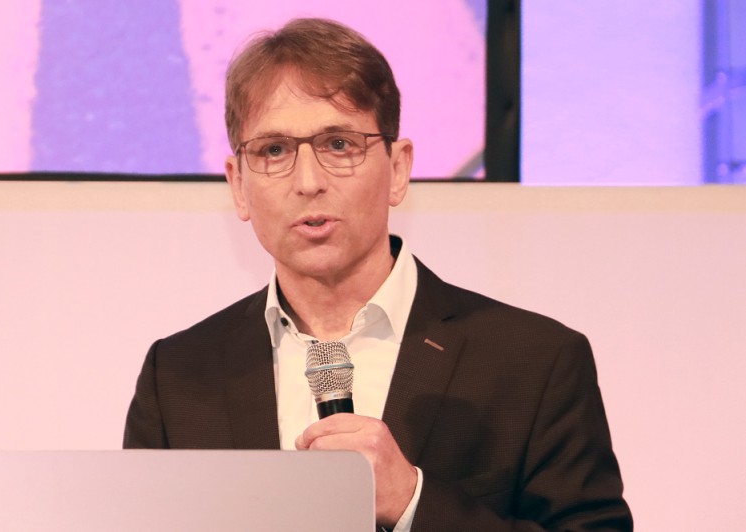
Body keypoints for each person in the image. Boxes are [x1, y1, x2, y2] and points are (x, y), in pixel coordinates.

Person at [124, 17, 631, 531]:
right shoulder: (179, 375)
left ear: (398, 168)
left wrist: (413, 503)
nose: (308, 182)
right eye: (274, 150)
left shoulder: (535, 362)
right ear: (238, 186)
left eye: (338, 144)